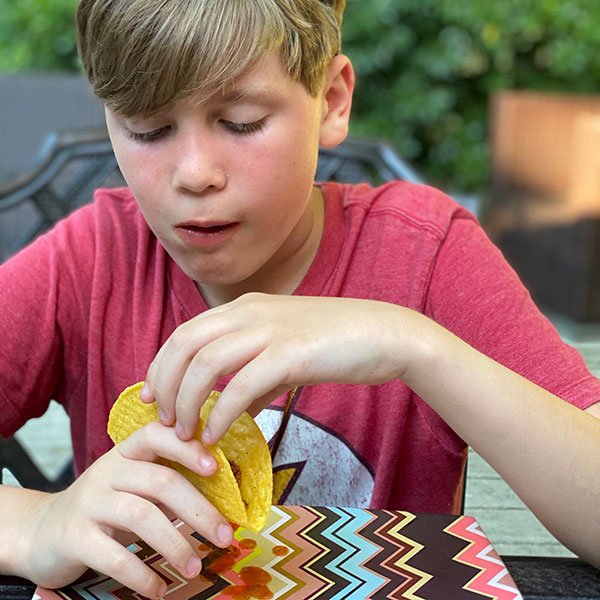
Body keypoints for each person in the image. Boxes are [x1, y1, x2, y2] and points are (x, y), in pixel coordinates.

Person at [1, 0, 599, 597]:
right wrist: (35, 525)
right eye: (146, 129)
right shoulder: (91, 260)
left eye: (241, 122)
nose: (195, 173)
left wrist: (412, 343)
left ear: (332, 101)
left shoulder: (428, 257)